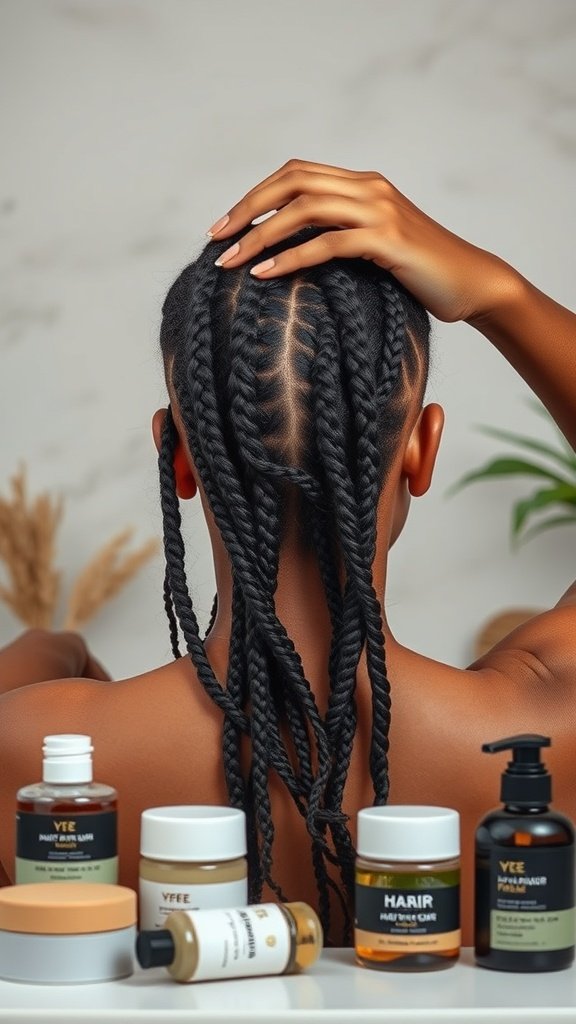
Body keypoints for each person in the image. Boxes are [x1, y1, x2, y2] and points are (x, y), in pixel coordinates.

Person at [0, 159, 574, 948]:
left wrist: (44, 652)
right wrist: (497, 293)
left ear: (178, 460)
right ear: (422, 450)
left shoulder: (32, 764)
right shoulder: (543, 727)